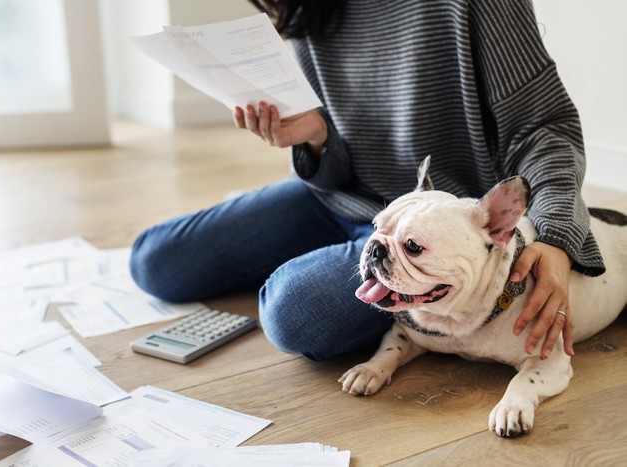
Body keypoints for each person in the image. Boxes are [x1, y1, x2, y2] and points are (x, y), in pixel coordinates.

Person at [130, 0, 605, 362]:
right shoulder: (308, 7)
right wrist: (316, 139)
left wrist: (559, 235)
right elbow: (337, 158)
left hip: (439, 229)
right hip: (343, 199)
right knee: (154, 262)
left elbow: (545, 128)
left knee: (293, 313)